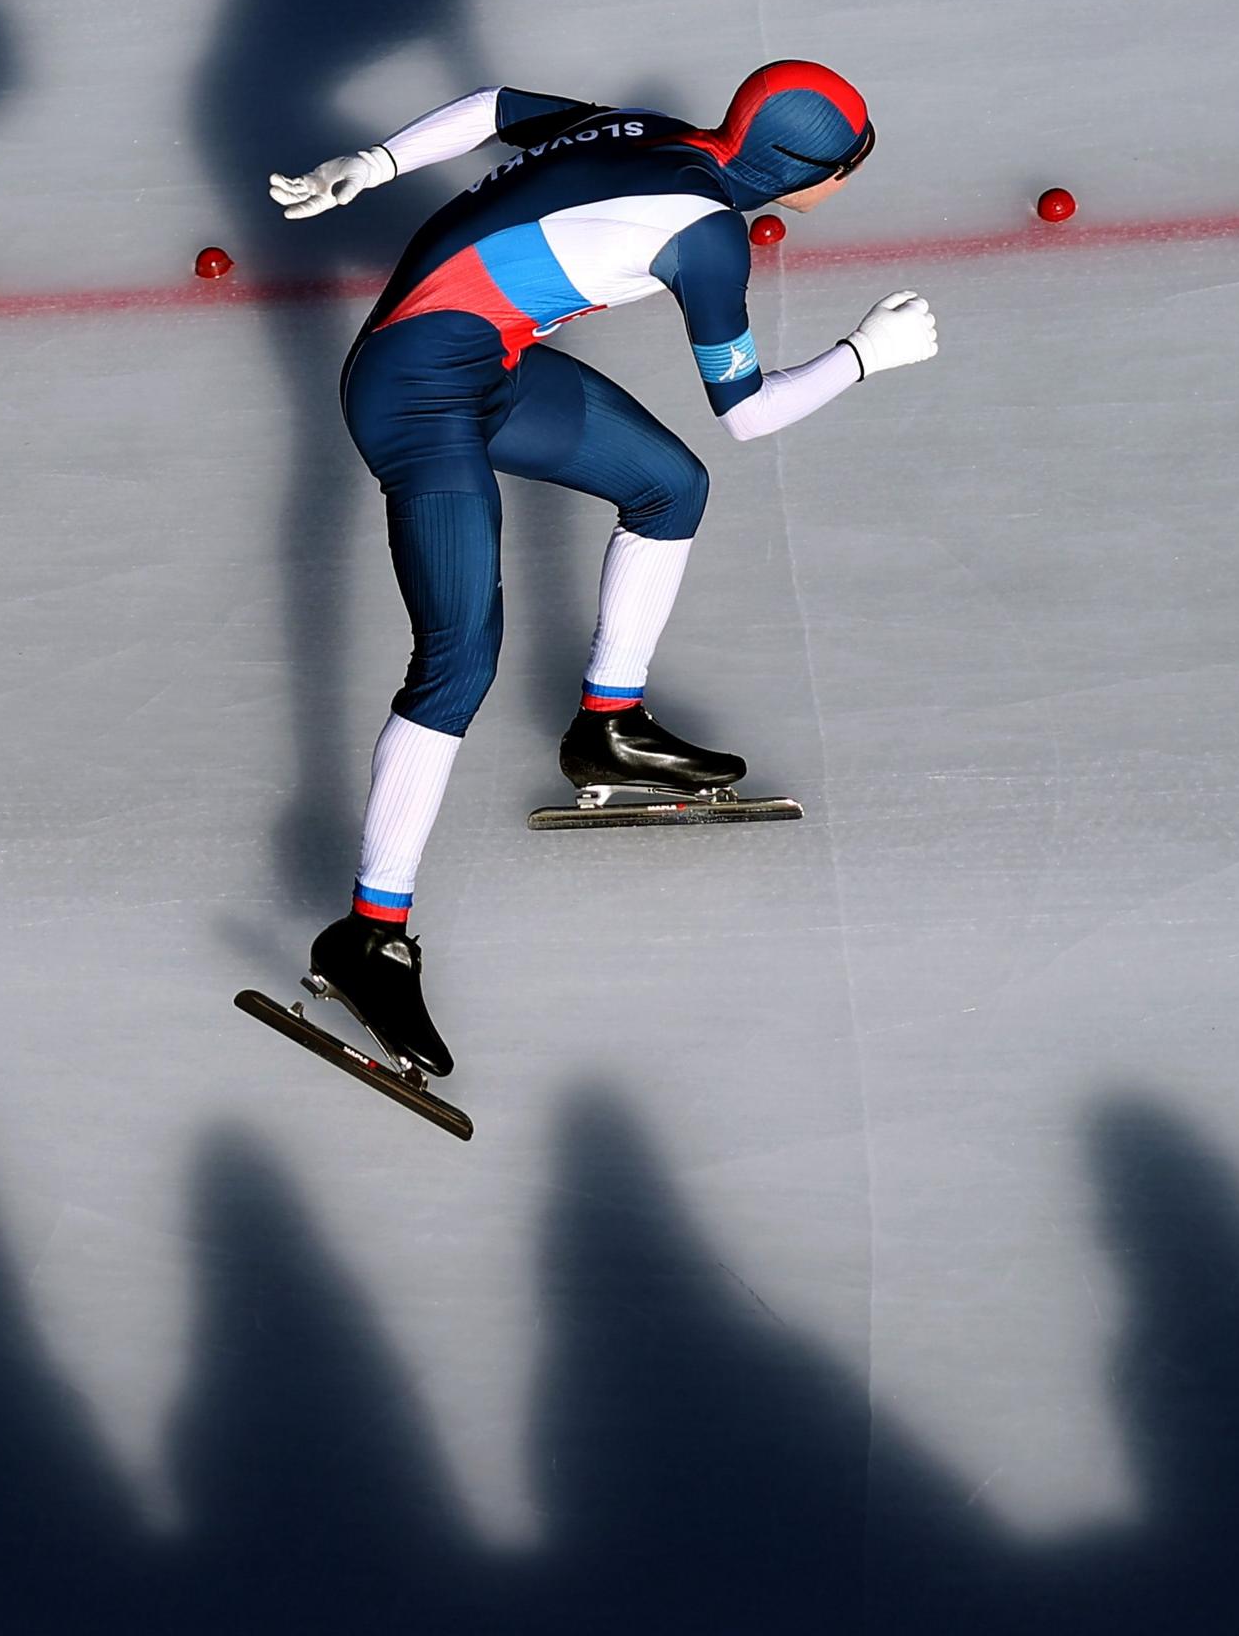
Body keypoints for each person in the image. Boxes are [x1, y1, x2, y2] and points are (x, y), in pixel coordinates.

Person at [269, 63, 939, 1078]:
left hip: (482, 364)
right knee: (458, 661)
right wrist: (860, 356)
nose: (849, 181)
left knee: (670, 486)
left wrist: (377, 160)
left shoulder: (658, 130)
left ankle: (608, 727)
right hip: (415, 396)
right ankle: (368, 935)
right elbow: (750, 411)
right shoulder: (708, 235)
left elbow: (496, 109)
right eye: (848, 166)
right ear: (801, 174)